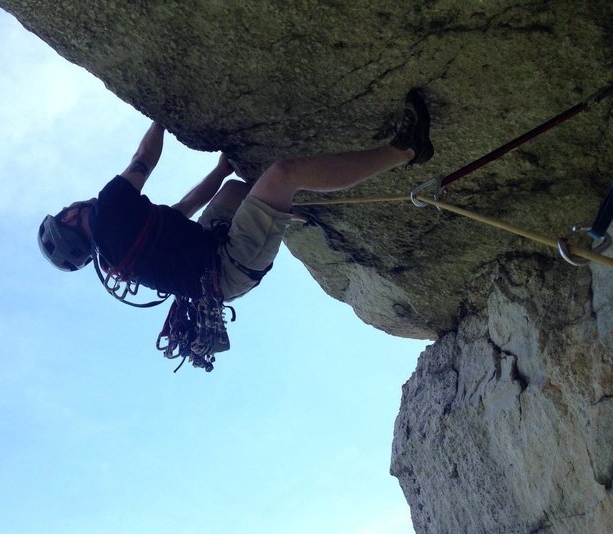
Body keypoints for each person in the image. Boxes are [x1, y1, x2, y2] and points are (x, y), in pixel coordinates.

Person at [38, 89, 434, 369]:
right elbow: (143, 159)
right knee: (282, 173)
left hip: (213, 253)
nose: (70, 207)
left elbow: (185, 209)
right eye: (64, 212)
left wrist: (220, 169)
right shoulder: (108, 209)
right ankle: (407, 150)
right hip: (229, 265)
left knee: (234, 190)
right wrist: (160, 114)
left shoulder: (114, 258)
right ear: (71, 221)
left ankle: (283, 215)